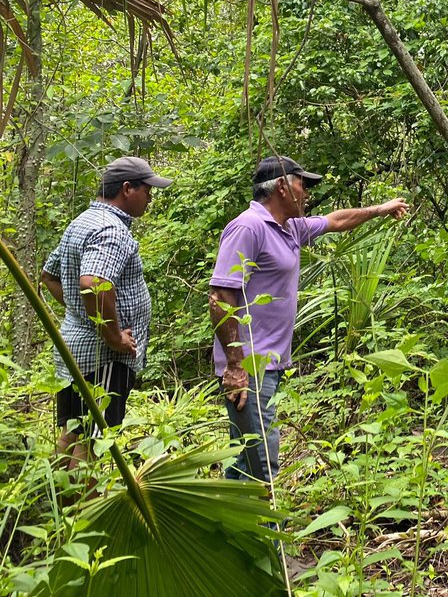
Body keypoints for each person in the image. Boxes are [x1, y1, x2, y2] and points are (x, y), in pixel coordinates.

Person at [209, 156, 409, 483]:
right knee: (264, 468)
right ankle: (271, 534)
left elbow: (336, 221)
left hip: (270, 366)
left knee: (244, 463)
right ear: (281, 187)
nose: (307, 193)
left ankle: (230, 531)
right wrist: (235, 366)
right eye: (302, 184)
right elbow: (220, 297)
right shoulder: (249, 227)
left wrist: (380, 209)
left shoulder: (291, 228)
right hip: (250, 368)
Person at [41, 156, 174, 467]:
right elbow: (93, 283)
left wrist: (82, 314)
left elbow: (49, 276)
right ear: (127, 189)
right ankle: (87, 512)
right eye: (147, 189)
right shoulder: (111, 229)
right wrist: (112, 336)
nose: (150, 197)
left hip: (76, 350)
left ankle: (56, 505)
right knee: (95, 443)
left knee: (73, 433)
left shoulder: (82, 221)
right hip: (103, 359)